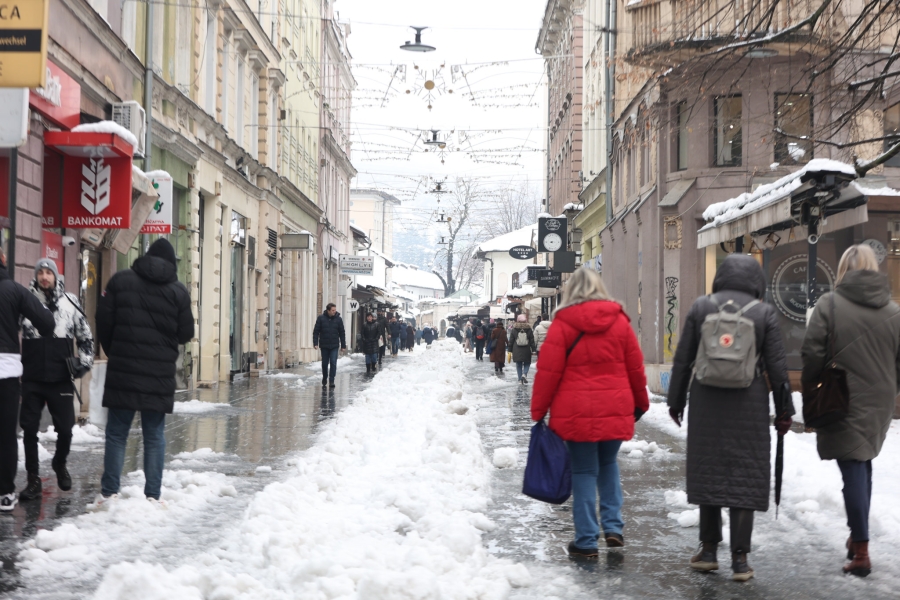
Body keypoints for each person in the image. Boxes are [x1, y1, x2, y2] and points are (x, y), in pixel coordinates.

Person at [667, 254, 792, 582]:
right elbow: (778, 368)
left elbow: (683, 358)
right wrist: (784, 411)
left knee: (708, 471)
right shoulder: (764, 312)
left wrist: (676, 401)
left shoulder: (700, 307)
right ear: (756, 281)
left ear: (721, 277)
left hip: (707, 400)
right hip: (748, 402)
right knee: (744, 475)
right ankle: (740, 559)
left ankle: (708, 551)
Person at [531, 268, 648, 557]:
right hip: (615, 407)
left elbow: (548, 373)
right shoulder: (620, 322)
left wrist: (538, 411)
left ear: (571, 292)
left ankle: (585, 540)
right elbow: (636, 367)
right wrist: (641, 403)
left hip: (575, 412)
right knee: (608, 465)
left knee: (583, 471)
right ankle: (613, 528)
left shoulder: (561, 325)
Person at [801, 245, 900, 578]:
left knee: (854, 469)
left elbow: (812, 351)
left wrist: (812, 386)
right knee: (862, 463)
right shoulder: (893, 311)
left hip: (840, 397)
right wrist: (890, 387)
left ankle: (861, 551)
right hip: (880, 400)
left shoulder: (829, 305)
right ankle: (857, 536)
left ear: (843, 269)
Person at [96, 239, 193, 502]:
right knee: (154, 434)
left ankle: (109, 493)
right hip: (158, 375)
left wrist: (113, 350)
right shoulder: (178, 291)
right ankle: (152, 495)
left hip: (123, 369)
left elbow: (103, 319)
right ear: (171, 264)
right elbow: (186, 333)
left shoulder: (120, 281)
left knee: (117, 432)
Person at [19, 258, 94, 502]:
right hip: (32, 377)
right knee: (29, 429)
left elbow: (86, 337)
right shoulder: (25, 301)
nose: (44, 277)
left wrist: (84, 363)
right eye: (40, 272)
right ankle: (33, 480)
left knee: (66, 429)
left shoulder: (70, 302)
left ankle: (59, 463)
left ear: (55, 275)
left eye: (48, 272)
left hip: (61, 378)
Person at [0, 248, 53, 511]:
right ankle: (5, 494)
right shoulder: (14, 290)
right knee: (6, 433)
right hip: (5, 370)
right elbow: (46, 322)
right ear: (2, 257)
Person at [313, 303, 347, 387]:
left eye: (335, 310)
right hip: (324, 345)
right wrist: (315, 343)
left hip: (334, 345)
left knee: (333, 362)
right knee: (324, 363)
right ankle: (325, 377)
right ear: (328, 310)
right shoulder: (321, 318)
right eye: (332, 310)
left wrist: (343, 345)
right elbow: (316, 332)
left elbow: (342, 333)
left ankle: (332, 380)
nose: (334, 312)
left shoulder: (338, 319)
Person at [509, 314, 536, 384]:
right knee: (527, 362)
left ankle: (520, 379)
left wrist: (509, 350)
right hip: (526, 349)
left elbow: (511, 341)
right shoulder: (529, 329)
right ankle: (524, 374)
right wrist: (533, 350)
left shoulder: (514, 329)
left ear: (518, 321)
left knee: (518, 364)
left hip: (516, 349)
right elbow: (532, 340)